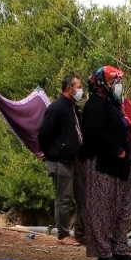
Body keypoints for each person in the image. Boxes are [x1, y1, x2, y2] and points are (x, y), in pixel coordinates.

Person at [80, 66, 131, 260]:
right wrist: (116, 149)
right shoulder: (95, 104)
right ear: (103, 83)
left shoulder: (113, 104)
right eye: (115, 82)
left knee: (121, 209)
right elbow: (94, 133)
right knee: (102, 209)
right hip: (103, 164)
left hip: (121, 165)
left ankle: (119, 250)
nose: (119, 86)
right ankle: (104, 253)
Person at [36, 75, 88, 247]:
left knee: (83, 197)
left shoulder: (74, 109)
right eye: (79, 87)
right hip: (61, 160)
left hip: (75, 159)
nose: (81, 90)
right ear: (69, 88)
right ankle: (63, 234)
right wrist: (51, 151)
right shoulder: (57, 108)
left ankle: (81, 233)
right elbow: (44, 133)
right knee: (64, 198)